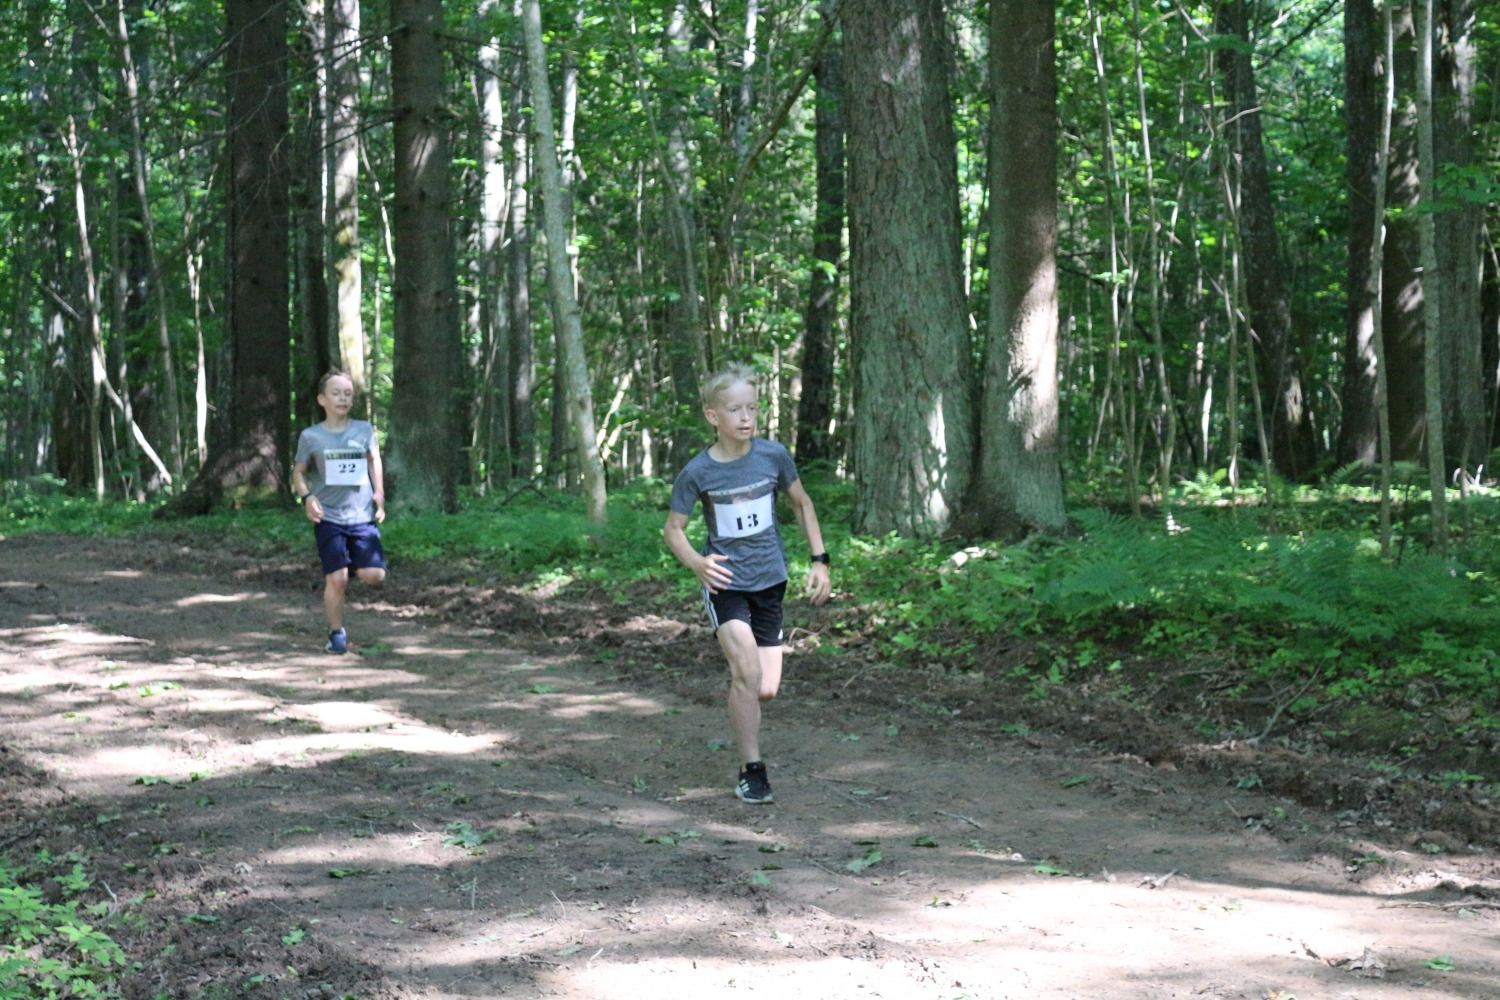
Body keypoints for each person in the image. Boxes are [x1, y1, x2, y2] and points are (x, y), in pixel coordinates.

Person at [663, 363, 832, 804]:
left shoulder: (772, 456)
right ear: (713, 416)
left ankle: (743, 701)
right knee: (746, 671)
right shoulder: (697, 471)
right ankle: (752, 770)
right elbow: (673, 530)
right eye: (735, 409)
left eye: (752, 408)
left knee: (765, 688)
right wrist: (698, 564)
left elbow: (801, 503)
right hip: (726, 583)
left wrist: (819, 559)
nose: (746, 417)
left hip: (770, 578)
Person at [291, 370, 386, 654]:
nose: (342, 398)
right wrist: (306, 497)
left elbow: (374, 460)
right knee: (337, 578)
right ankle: (336, 633)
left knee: (375, 575)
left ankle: (349, 562)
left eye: (348, 393)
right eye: (336, 393)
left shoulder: (364, 429)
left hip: (361, 515)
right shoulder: (311, 436)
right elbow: (298, 472)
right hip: (328, 516)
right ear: (322, 399)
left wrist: (379, 494)